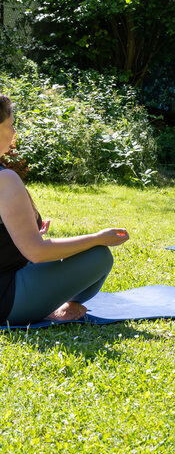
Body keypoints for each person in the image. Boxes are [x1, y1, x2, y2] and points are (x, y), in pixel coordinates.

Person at [0, 94, 129, 325]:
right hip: (6, 300)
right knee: (98, 255)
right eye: (10, 125)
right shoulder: (5, 179)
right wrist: (97, 238)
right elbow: (36, 253)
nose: (14, 132)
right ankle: (55, 307)